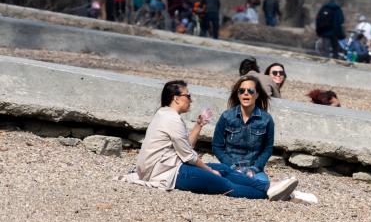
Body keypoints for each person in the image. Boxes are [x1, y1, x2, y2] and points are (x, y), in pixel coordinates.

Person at [122, 80, 298, 200]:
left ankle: (270, 186)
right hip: (167, 173)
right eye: (188, 96)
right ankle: (273, 193)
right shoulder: (171, 119)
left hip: (173, 166)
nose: (191, 99)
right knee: (224, 183)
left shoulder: (165, 114)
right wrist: (208, 170)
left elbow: (185, 149)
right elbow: (189, 156)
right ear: (176, 98)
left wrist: (199, 125)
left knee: (222, 169)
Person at [211, 76, 277, 178]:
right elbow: (217, 146)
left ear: (257, 94)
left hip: (253, 169)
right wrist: (233, 167)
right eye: (242, 91)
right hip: (229, 167)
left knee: (262, 184)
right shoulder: (226, 116)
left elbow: (267, 149)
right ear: (238, 94)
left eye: (250, 90)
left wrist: (254, 170)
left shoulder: (267, 119)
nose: (246, 93)